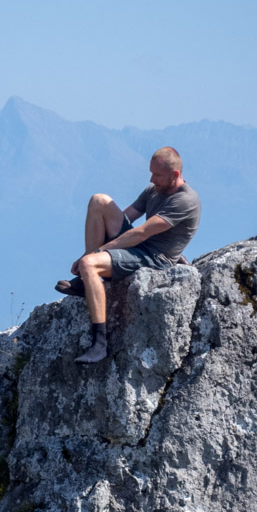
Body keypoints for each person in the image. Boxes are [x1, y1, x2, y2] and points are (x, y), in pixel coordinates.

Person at [56, 146, 201, 363]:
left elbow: (142, 232)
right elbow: (127, 218)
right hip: (140, 245)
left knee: (89, 264)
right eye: (151, 173)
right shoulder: (154, 191)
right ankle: (88, 280)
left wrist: (96, 254)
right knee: (99, 200)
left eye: (157, 175)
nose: (152, 179)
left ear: (175, 175)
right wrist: (98, 247)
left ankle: (100, 344)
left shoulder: (185, 201)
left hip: (155, 258)